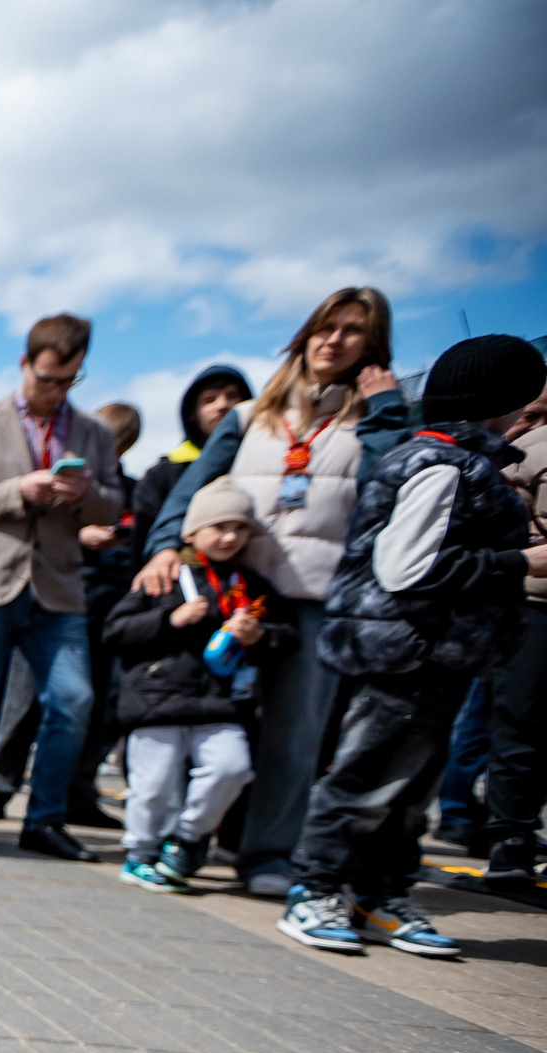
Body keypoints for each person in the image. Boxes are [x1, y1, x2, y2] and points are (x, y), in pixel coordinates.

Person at [278, 336, 547, 958]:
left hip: (435, 654)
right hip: (407, 651)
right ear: (505, 399)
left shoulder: (462, 461)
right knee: (365, 778)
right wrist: (517, 561)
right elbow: (405, 568)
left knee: (409, 788)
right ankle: (313, 890)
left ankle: (382, 892)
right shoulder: (445, 463)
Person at [140, 289, 411, 896]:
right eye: (326, 326)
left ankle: (267, 855)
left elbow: (386, 493)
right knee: (204, 720)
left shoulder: (375, 420)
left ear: (372, 347)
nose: (334, 340)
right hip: (230, 594)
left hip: (315, 602)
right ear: (306, 333)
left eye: (352, 332)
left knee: (296, 736)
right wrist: (163, 544)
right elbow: (191, 492)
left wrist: (388, 412)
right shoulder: (247, 417)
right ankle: (177, 839)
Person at [0, 312, 121, 859]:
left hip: (58, 588)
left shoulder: (93, 433)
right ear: (25, 364)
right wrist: (19, 490)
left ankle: (45, 820)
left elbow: (114, 503)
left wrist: (84, 494)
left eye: (68, 381)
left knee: (74, 699)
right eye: (47, 378)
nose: (56, 391)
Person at [104, 485, 285, 892]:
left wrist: (260, 636)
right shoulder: (161, 577)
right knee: (153, 786)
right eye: (219, 526)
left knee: (233, 767)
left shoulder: (251, 585)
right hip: (158, 701)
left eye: (240, 528)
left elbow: (287, 636)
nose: (230, 537)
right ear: (190, 532)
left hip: (221, 703)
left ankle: (185, 839)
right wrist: (171, 620)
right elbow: (115, 633)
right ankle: (139, 854)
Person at [479, 382, 547, 885]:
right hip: (532, 606)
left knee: (517, 728)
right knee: (517, 726)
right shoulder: (530, 451)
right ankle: (511, 847)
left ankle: (513, 846)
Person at [133, 365, 252, 566]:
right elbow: (140, 543)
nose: (222, 405)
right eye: (209, 399)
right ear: (192, 414)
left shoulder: (261, 465)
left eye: (232, 396)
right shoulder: (162, 474)